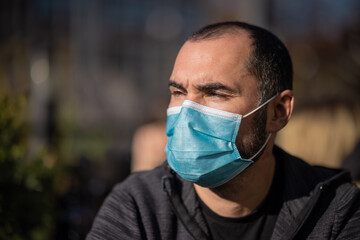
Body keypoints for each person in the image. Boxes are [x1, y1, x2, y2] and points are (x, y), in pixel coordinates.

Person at [86, 21, 360, 240]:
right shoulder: (138, 205)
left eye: (215, 93)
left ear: (278, 112)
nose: (187, 112)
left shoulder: (336, 209)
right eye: (178, 92)